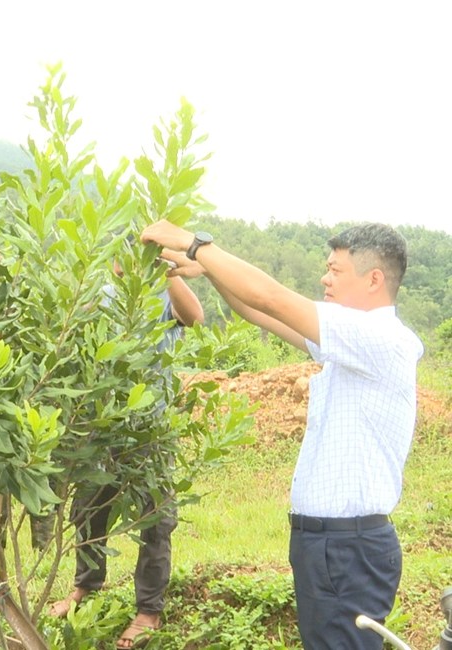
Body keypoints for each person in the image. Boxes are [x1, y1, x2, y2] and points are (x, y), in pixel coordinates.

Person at [141, 221, 422, 650]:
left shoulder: (381, 338)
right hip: (328, 545)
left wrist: (197, 246)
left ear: (374, 279)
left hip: (348, 549)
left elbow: (271, 296)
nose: (324, 279)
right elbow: (258, 311)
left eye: (335, 270)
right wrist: (209, 269)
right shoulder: (351, 343)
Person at [50, 256, 204, 650]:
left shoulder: (165, 294)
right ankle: (86, 586)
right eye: (123, 252)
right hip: (102, 427)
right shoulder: (101, 294)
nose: (128, 261)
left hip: (151, 432)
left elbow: (196, 316)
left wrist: (167, 274)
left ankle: (148, 610)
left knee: (155, 521)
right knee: (88, 510)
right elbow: (70, 333)